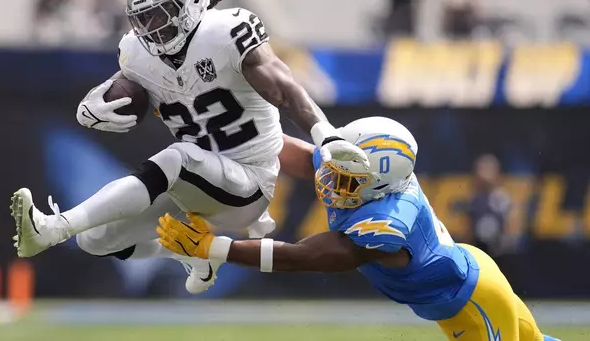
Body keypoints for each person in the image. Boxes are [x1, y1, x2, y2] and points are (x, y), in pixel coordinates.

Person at [11, 0, 368, 295]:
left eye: (161, 13)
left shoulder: (227, 32)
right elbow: (121, 88)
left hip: (248, 185)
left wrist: (327, 136)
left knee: (178, 157)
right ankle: (192, 252)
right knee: (96, 240)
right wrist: (92, 104)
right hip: (194, 183)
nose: (152, 28)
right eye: (144, 17)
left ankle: (54, 228)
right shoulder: (136, 53)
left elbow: (285, 88)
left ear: (189, 1)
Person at [157, 116, 560, 341]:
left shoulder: (388, 221)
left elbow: (305, 257)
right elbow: (292, 154)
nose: (329, 183)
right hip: (470, 275)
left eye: (344, 179)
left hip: (471, 303)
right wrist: (212, 128)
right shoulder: (362, 172)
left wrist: (217, 248)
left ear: (378, 185)